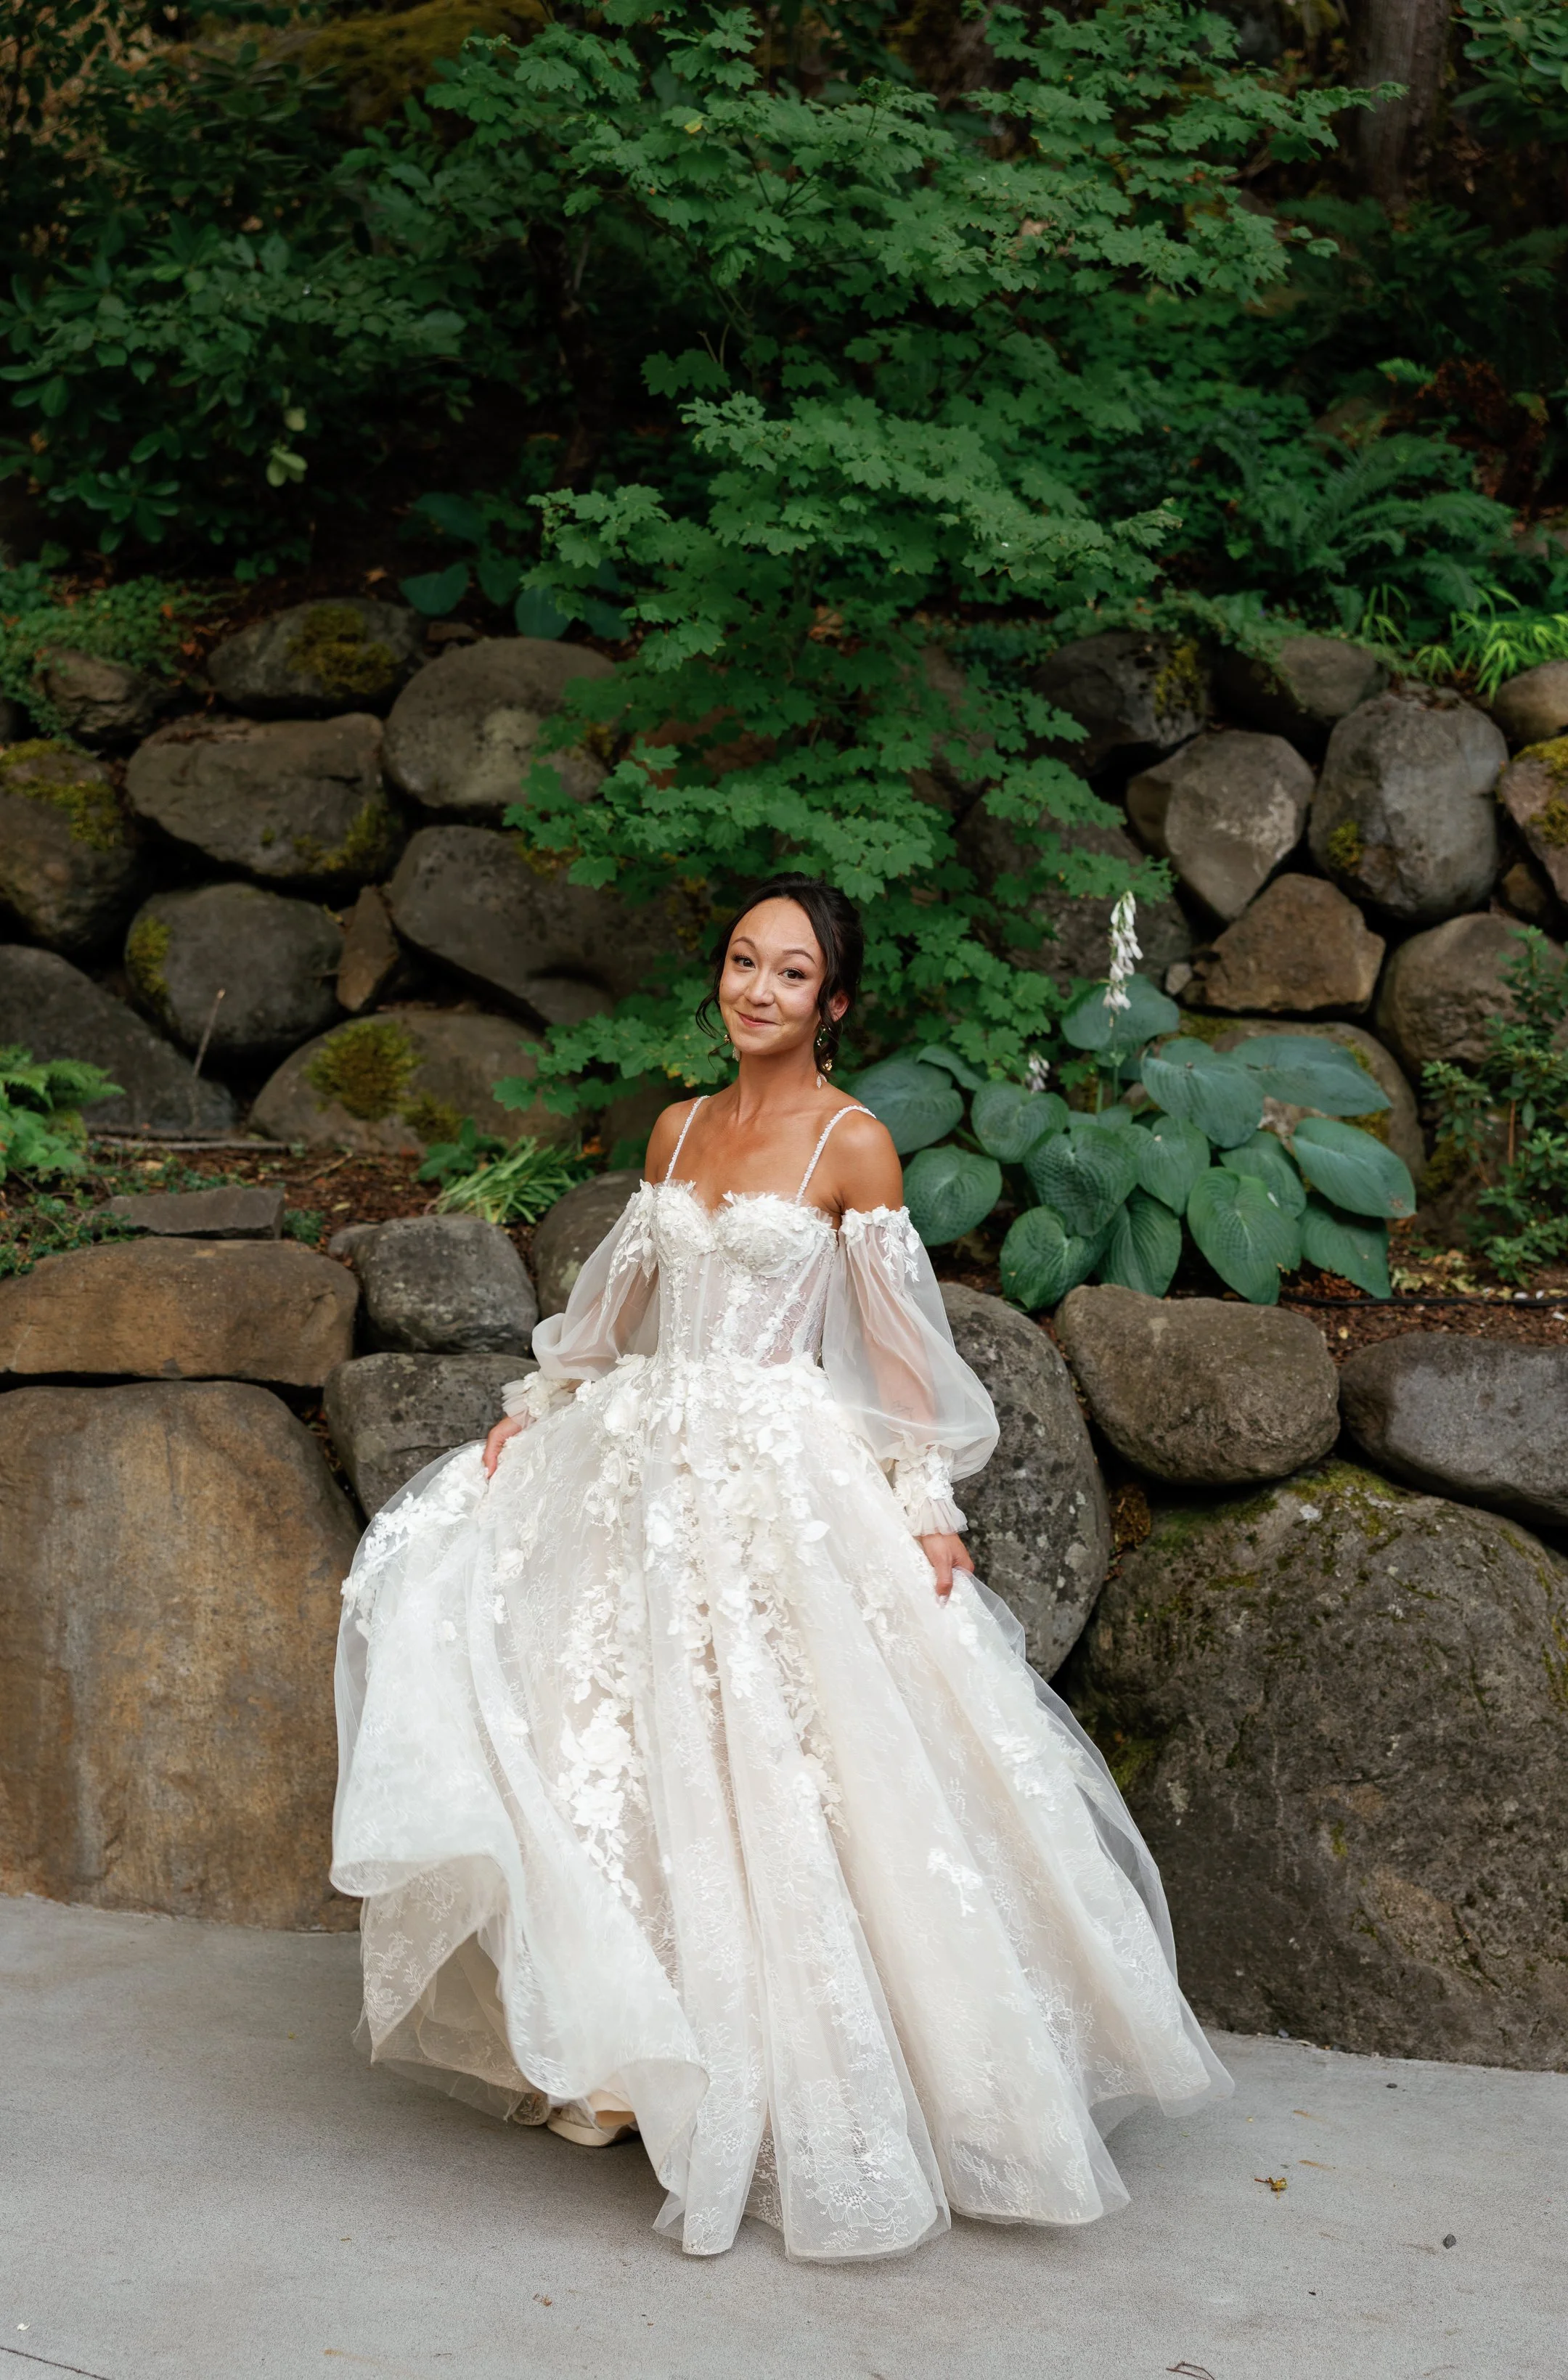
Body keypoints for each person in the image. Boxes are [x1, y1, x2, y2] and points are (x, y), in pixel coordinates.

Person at [332, 872, 1230, 2263]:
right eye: (744, 962)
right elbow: (617, 1309)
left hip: (771, 1469)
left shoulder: (853, 1145)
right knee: (612, 1733)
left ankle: (790, 2057)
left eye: (791, 972)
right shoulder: (678, 1126)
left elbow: (896, 1347)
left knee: (772, 1752)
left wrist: (926, 1497)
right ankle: (634, 2051)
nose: (758, 988)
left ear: (835, 1001)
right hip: (640, 1455)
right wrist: (538, 1412)